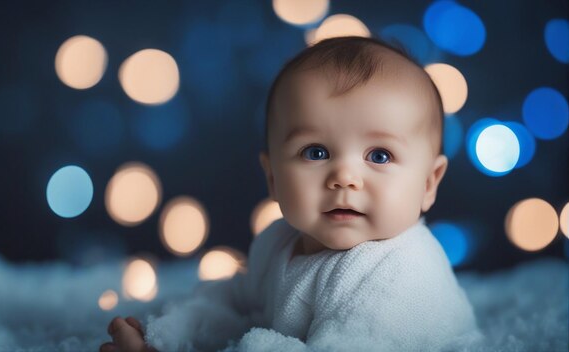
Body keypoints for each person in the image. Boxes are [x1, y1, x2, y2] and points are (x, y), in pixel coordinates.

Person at [99, 36, 482, 352]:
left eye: (379, 155)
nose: (345, 177)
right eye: (315, 152)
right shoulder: (278, 241)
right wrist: (167, 335)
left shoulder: (399, 276)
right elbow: (237, 301)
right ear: (273, 178)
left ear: (428, 184)